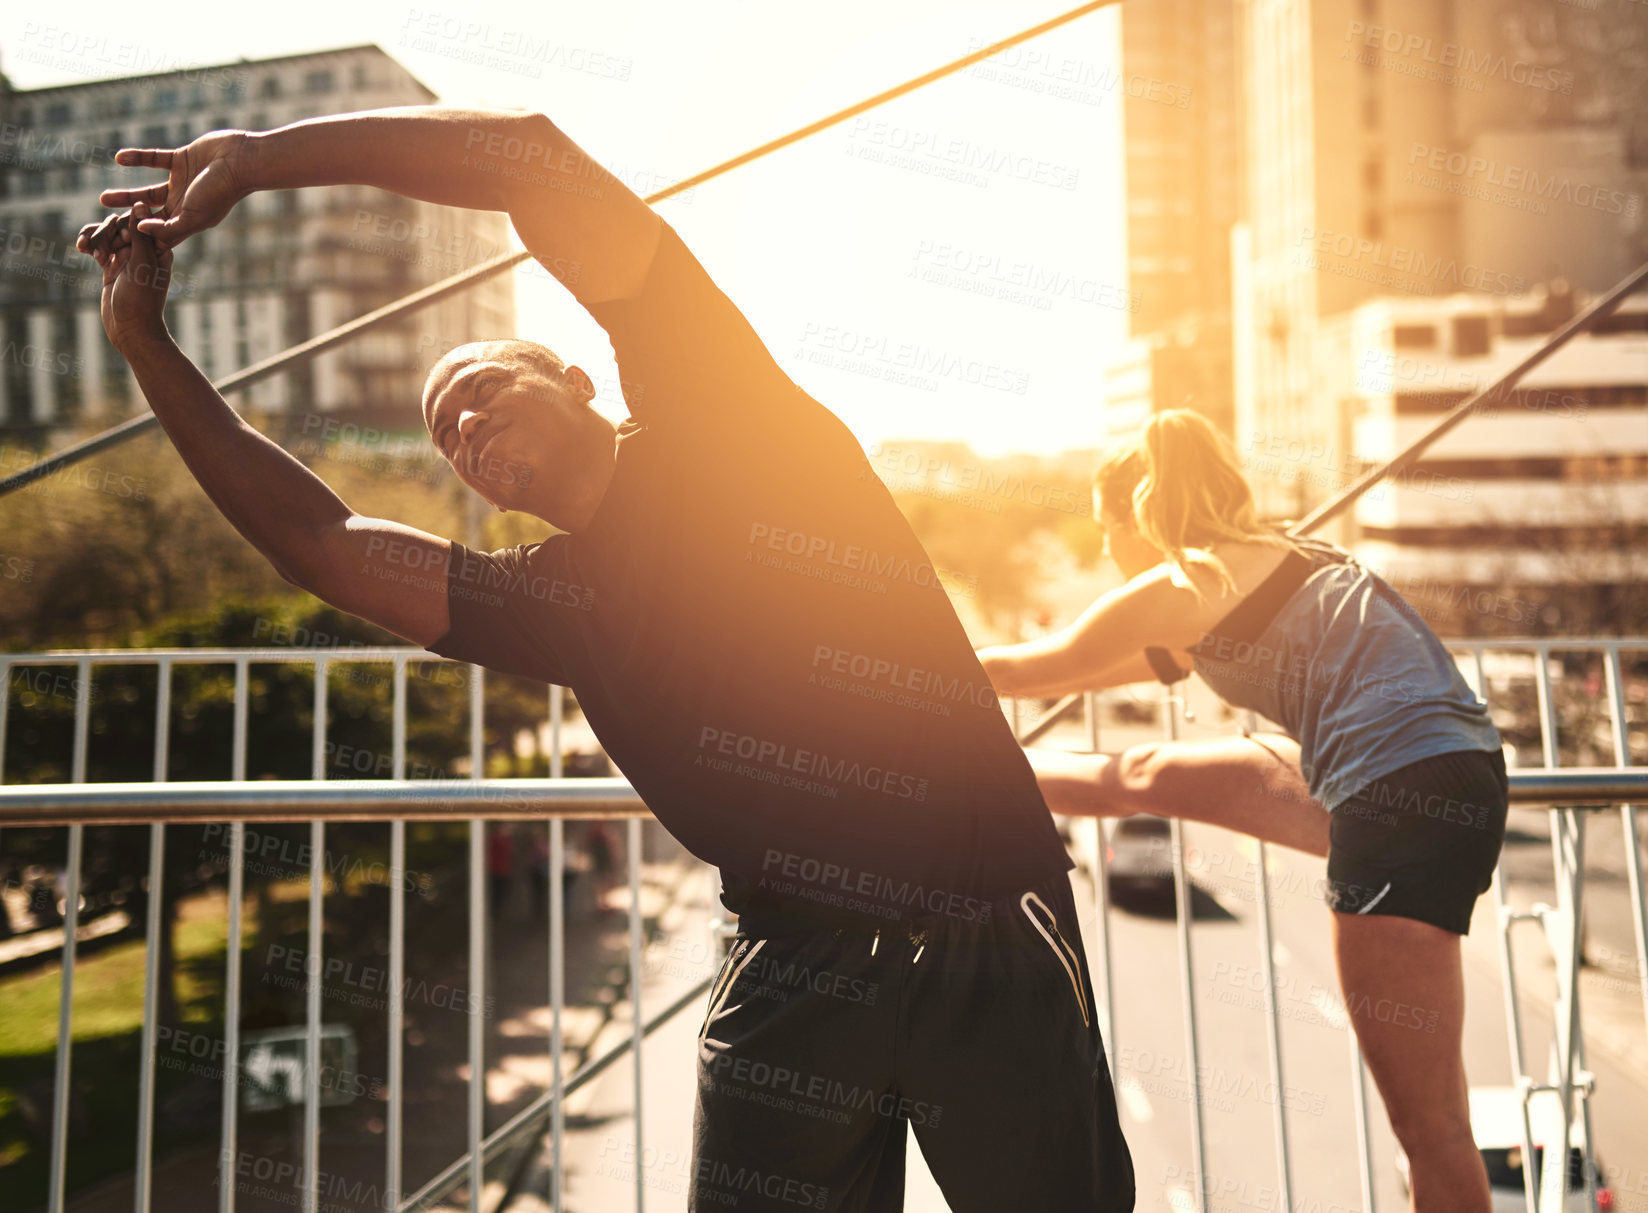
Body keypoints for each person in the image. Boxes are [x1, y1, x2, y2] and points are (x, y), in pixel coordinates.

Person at [79, 106, 1133, 1211]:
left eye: (479, 391)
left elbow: (535, 159)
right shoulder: (554, 601)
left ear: (578, 379)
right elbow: (322, 546)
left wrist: (255, 162)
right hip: (786, 967)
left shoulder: (730, 422)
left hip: (975, 930)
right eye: (444, 436)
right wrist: (144, 340)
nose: (463, 432)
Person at [977, 410, 1507, 1213]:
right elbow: (1127, 675)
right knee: (1148, 774)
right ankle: (982, 772)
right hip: (1453, 765)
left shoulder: (1180, 585)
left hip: (1393, 789)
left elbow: (1031, 670)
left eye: (1105, 533)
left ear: (1137, 519)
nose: (1105, 555)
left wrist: (881, 670)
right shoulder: (1287, 554)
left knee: (1430, 1128)